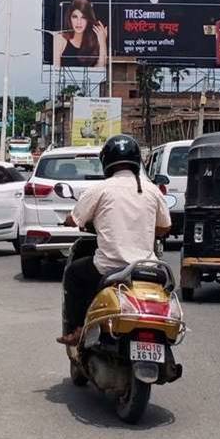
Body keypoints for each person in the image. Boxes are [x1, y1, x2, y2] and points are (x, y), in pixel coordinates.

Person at [57, 134, 172, 345]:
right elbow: (165, 227)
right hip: (147, 267)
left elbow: (75, 219)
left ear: (106, 162)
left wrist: (69, 221)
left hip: (109, 267)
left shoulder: (100, 189)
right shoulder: (152, 190)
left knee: (74, 274)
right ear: (137, 160)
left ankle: (78, 329)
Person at [53, 0, 107, 68]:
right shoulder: (60, 39)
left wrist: (103, 42)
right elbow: (55, 72)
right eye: (75, 17)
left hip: (89, 79)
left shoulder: (93, 41)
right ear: (69, 18)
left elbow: (100, 70)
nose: (79, 22)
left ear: (88, 19)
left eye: (83, 17)